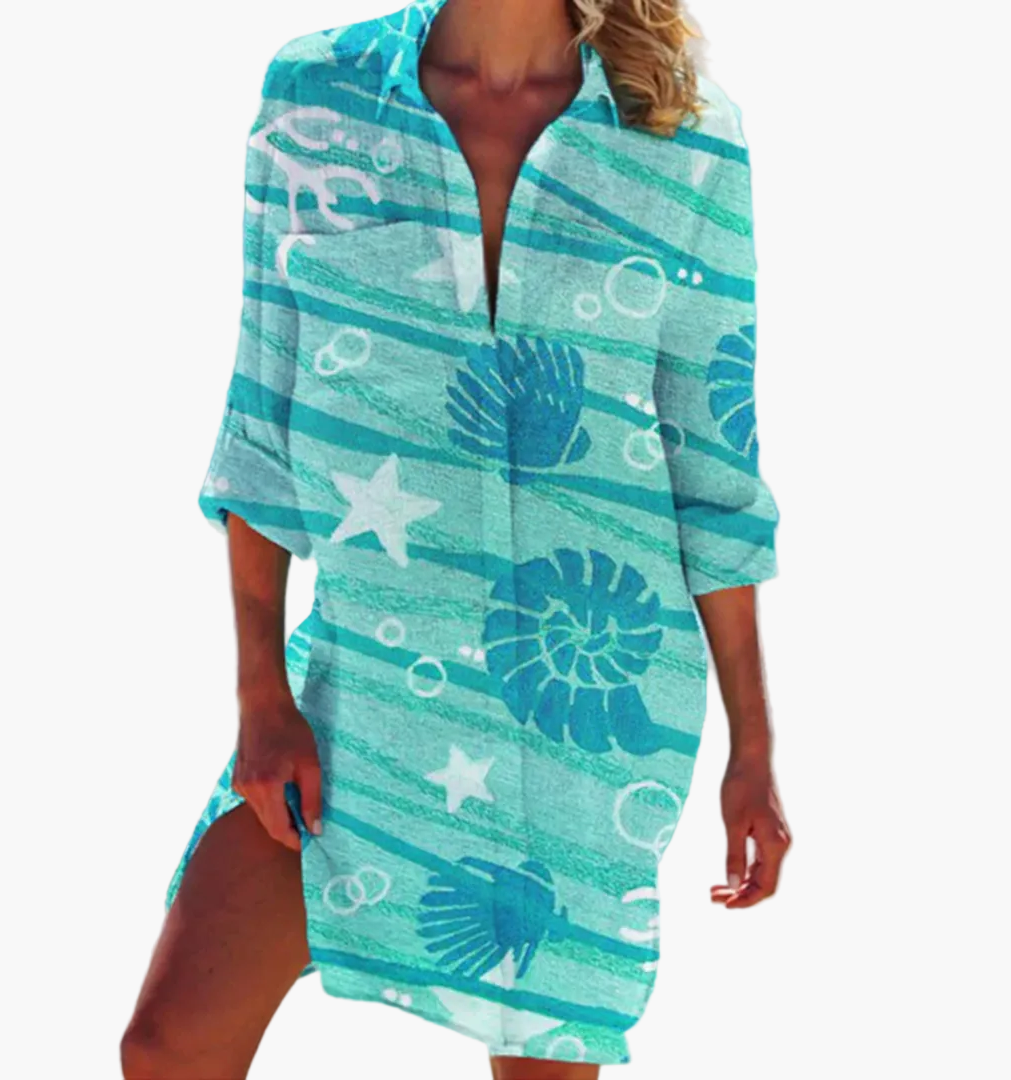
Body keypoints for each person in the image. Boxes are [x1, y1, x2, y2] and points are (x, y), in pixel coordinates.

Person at [121, 0, 791, 1076]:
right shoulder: (320, 94)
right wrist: (260, 693)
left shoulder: (684, 134)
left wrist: (752, 751)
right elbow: (260, 423)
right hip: (367, 680)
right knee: (169, 1046)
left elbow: (714, 465)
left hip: (585, 711)